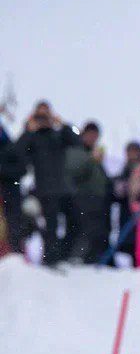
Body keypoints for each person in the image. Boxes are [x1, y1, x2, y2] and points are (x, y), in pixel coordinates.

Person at [14, 100, 82, 265]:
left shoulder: (58, 134)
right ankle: (50, 258)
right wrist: (28, 130)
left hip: (65, 188)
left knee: (76, 222)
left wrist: (63, 124)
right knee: (50, 226)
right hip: (45, 190)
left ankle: (64, 254)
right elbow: (17, 153)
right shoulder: (32, 137)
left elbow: (77, 141)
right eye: (40, 116)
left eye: (46, 115)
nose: (43, 119)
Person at [63, 121, 112, 263]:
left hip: (96, 200)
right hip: (81, 198)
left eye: (95, 136)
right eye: (90, 135)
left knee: (96, 231)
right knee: (82, 230)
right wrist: (91, 159)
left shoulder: (92, 152)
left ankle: (92, 258)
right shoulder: (77, 150)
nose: (93, 139)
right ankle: (76, 257)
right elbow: (74, 171)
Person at [110, 141, 140, 265]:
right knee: (127, 234)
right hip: (126, 207)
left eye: (134, 152)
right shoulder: (126, 167)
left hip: (139, 208)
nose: (131, 155)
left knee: (137, 236)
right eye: (129, 152)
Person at [0, 116, 27, 254]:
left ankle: (14, 252)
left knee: (13, 223)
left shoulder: (11, 148)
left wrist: (2, 170)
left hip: (10, 193)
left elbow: (22, 169)